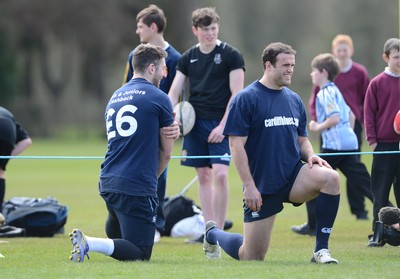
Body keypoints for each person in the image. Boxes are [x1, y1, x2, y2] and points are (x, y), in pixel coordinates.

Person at [203, 42, 341, 264]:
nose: (290, 70)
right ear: (268, 65)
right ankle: (212, 234)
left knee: (331, 178)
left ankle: (321, 251)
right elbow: (235, 146)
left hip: (293, 177)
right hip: (262, 185)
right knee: (251, 256)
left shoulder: (294, 99)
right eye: (285, 65)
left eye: (293, 65)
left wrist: (310, 155)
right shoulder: (246, 98)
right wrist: (249, 186)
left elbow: (302, 139)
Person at [69, 43, 180, 262]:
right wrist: (148, 180)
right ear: (151, 68)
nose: (164, 73)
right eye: (163, 69)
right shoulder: (159, 97)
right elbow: (166, 154)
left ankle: (108, 237)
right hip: (135, 186)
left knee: (120, 235)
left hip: (108, 181)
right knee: (140, 253)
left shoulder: (115, 96)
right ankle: (89, 242)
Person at [168, 7, 245, 242]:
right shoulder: (187, 57)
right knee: (203, 175)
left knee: (221, 175)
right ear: (195, 30)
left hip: (221, 122)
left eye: (213, 28)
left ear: (217, 28)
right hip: (194, 124)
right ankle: (208, 230)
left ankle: (219, 232)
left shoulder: (232, 55)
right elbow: (173, 93)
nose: (210, 33)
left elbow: (237, 94)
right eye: (205, 29)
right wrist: (170, 116)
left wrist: (223, 127)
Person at [292, 53, 373, 237]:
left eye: (314, 71)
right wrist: (348, 135)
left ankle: (312, 226)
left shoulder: (325, 92)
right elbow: (351, 115)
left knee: (312, 180)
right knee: (366, 185)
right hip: (349, 144)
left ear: (323, 72)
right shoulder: (336, 89)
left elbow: (334, 118)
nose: (312, 74)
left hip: (333, 148)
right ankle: (393, 218)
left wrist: (316, 126)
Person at [121, 4, 181, 242]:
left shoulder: (176, 58)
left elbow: (179, 95)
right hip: (139, 125)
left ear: (153, 27)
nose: (138, 31)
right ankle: (133, 216)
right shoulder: (135, 55)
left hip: (162, 125)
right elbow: (127, 88)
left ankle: (156, 223)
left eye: (141, 27)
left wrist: (175, 119)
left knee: (160, 170)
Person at [364, 38, 400, 246]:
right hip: (383, 146)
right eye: (396, 57)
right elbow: (369, 113)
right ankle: (377, 234)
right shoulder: (377, 83)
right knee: (380, 191)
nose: (399, 60)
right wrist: (373, 141)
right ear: (386, 58)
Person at [0, 106, 32, 222]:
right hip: (7, 133)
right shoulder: (5, 112)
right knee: (0, 172)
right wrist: (5, 158)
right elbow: (26, 141)